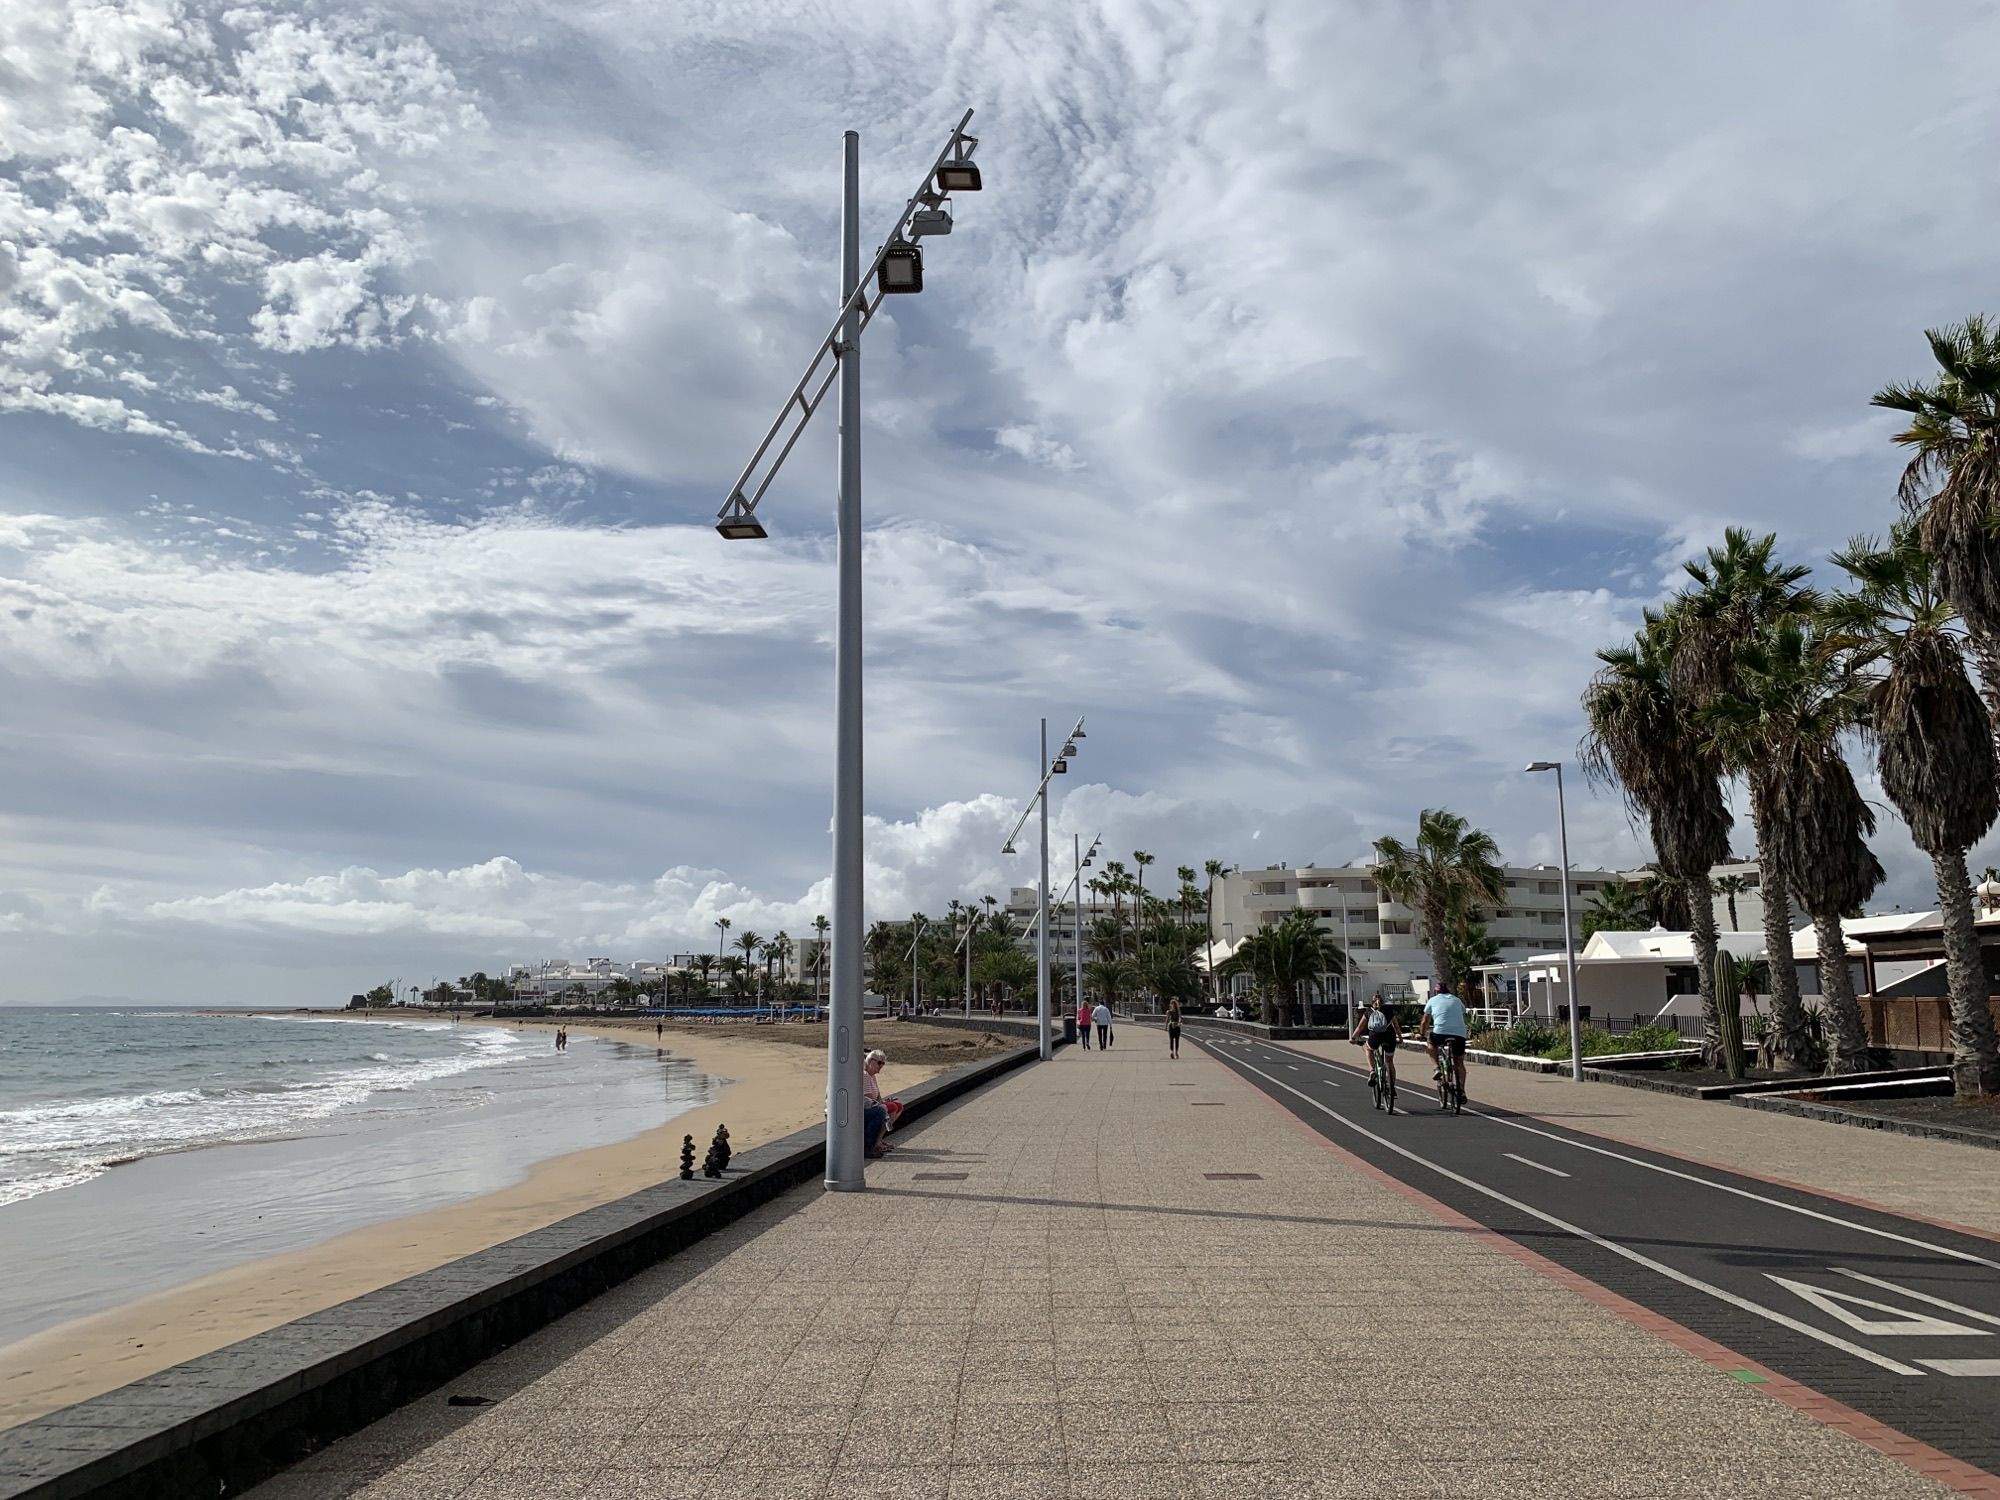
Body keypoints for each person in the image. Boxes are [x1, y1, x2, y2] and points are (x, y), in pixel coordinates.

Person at [1420, 987, 1469, 1100]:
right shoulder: (1457, 1000)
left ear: (1436, 992)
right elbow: (1463, 1012)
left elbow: (1425, 1021)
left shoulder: (1432, 1000)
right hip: (1459, 1034)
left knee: (1431, 1043)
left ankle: (1437, 1068)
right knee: (1459, 1063)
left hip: (1440, 1033)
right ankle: (1461, 1091)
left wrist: (1422, 1034)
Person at [1353, 991, 1399, 1096]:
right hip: (1389, 1037)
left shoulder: (1368, 1011)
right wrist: (1400, 1038)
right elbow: (1396, 1026)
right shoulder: (1388, 1010)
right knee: (1389, 1062)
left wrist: (1353, 1038)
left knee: (1367, 1048)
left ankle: (1372, 1070)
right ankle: (1392, 1086)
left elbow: (1360, 1027)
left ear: (1372, 1002)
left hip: (1375, 1037)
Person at [862, 1049, 891, 1158]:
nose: (881, 1066)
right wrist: (880, 1105)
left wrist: (882, 1102)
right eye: (879, 1063)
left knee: (892, 1106)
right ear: (870, 1060)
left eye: (883, 1063)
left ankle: (878, 1141)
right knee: (879, 1112)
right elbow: (868, 1098)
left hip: (867, 1106)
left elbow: (877, 1096)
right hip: (860, 1109)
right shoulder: (864, 1075)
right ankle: (869, 1147)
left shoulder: (872, 1076)